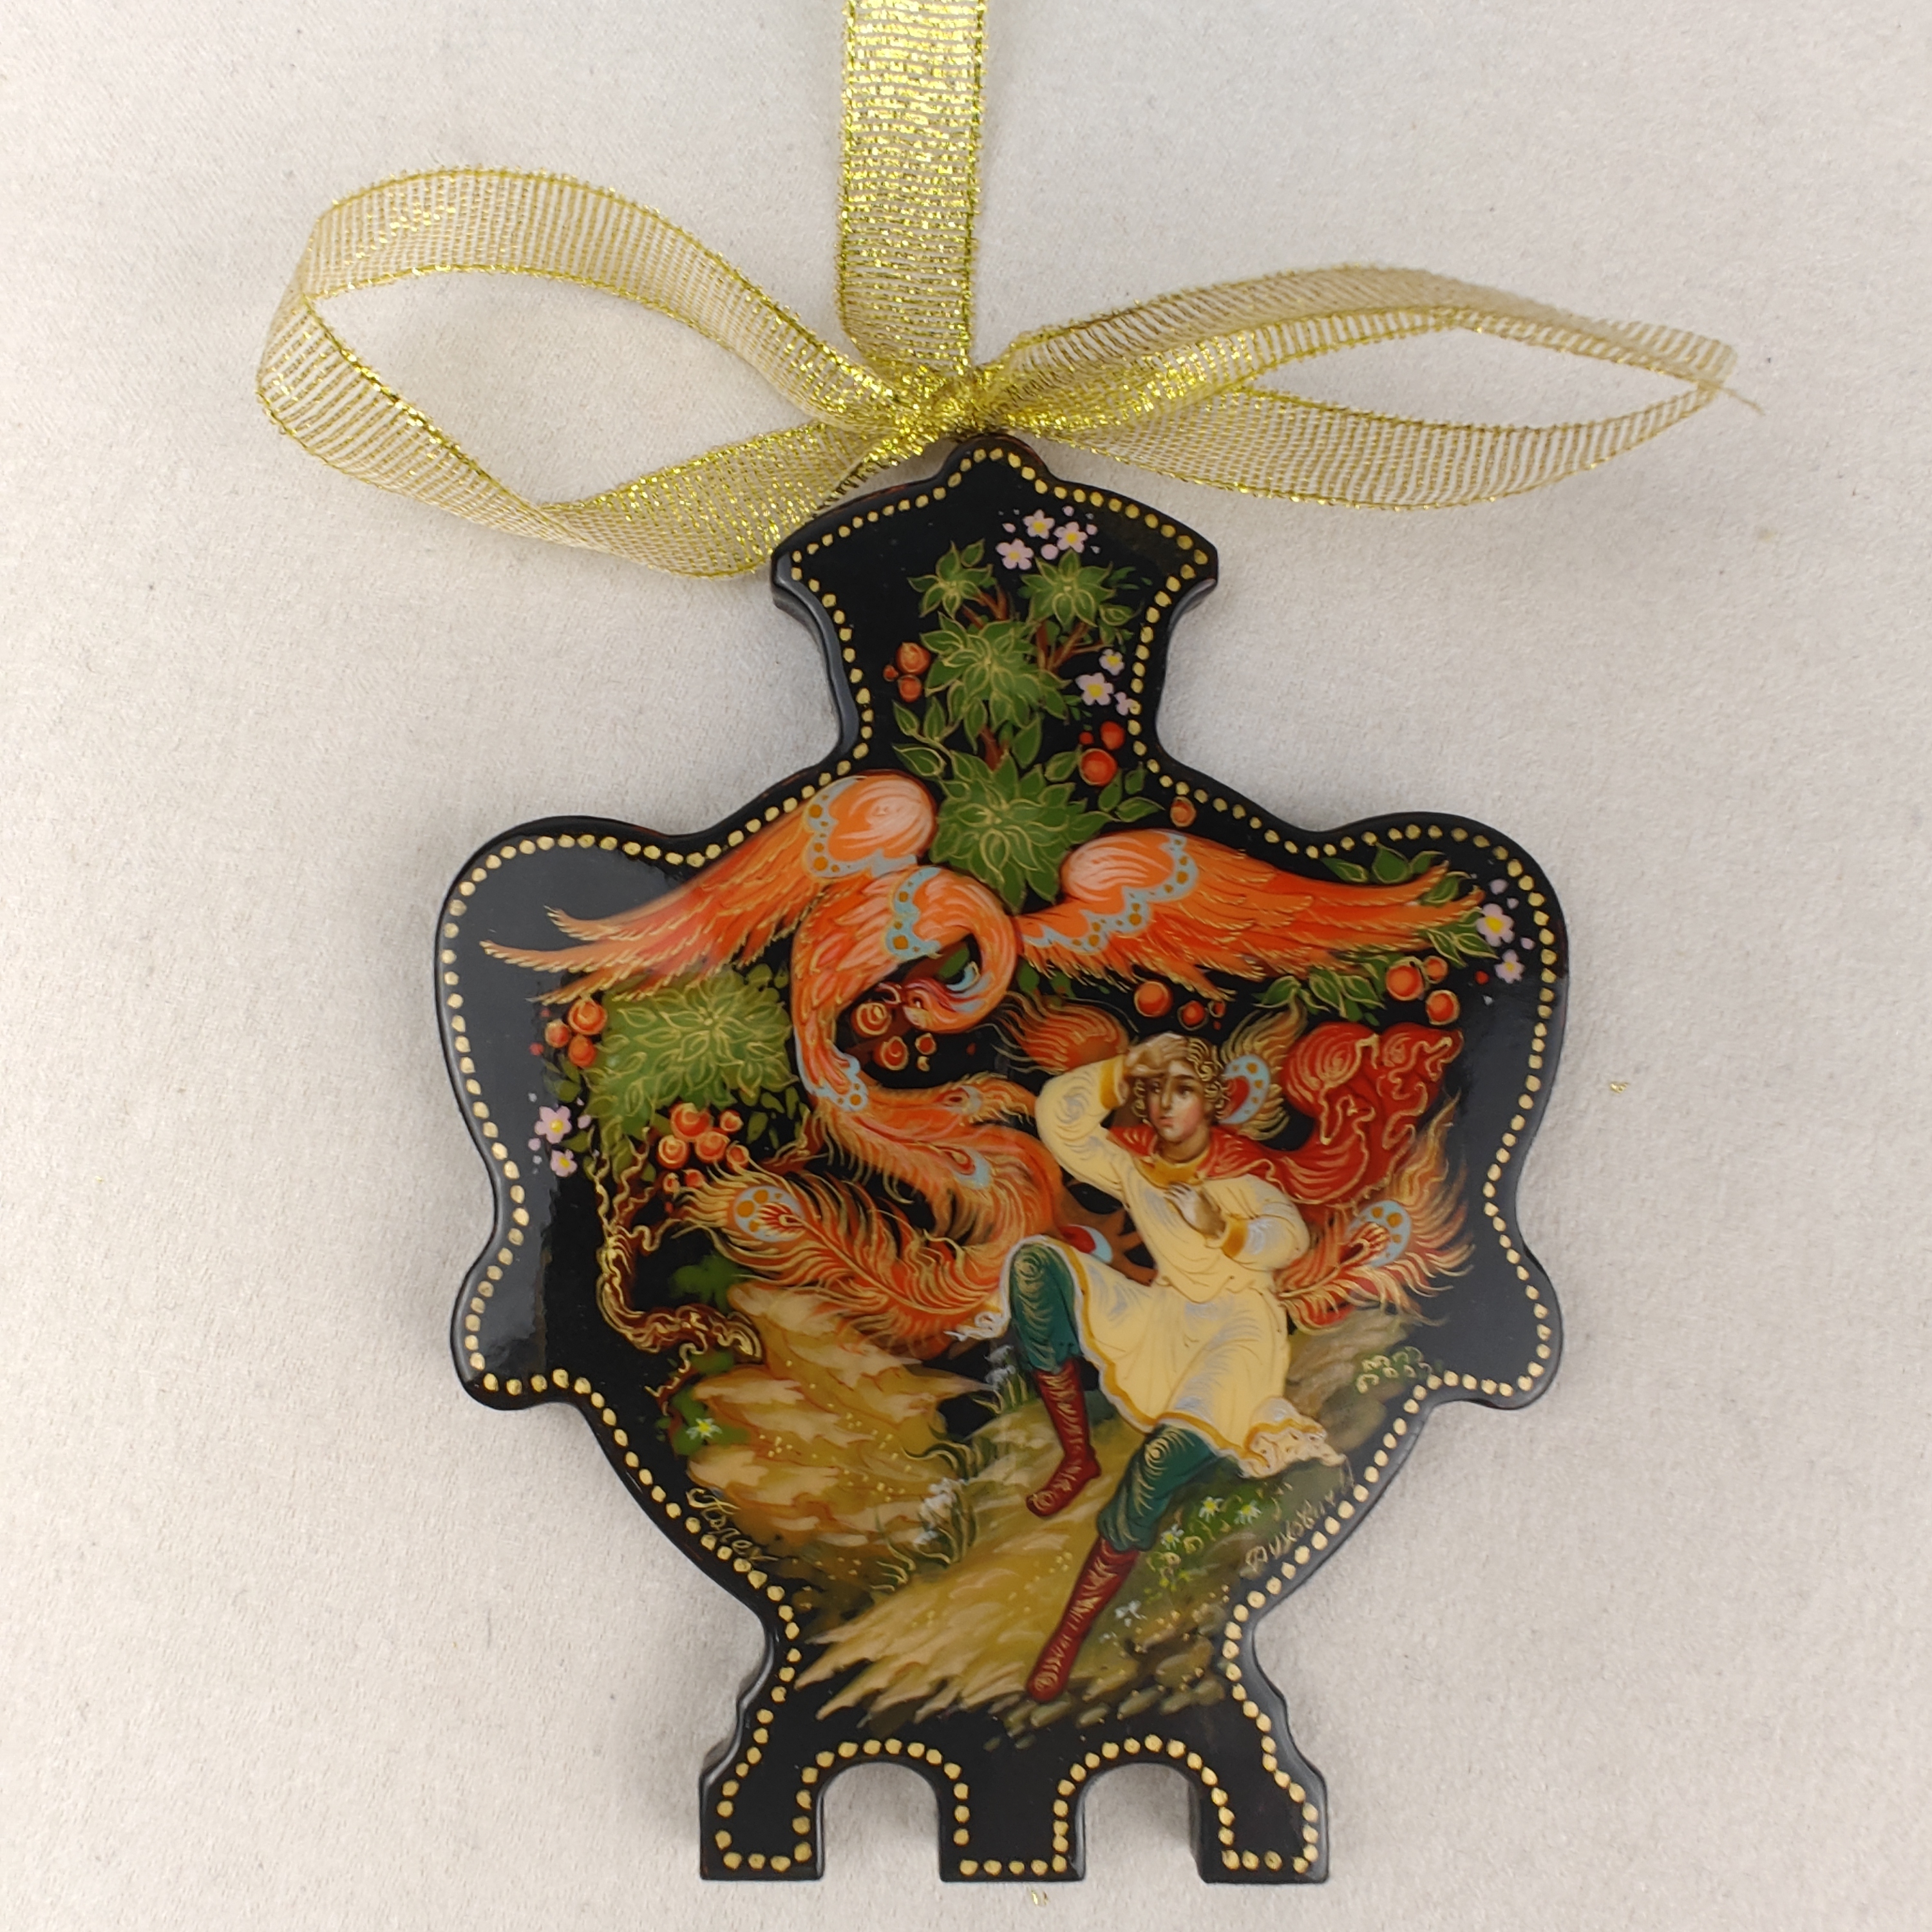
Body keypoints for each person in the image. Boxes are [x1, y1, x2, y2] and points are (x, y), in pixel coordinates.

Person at [1007, 1032, 1337, 1702]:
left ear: (1209, 1101)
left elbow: (1290, 1235)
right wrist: (1126, 1067)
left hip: (1238, 1336)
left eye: (1182, 1089)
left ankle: (1067, 1636)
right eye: (1154, 1090)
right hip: (1166, 1320)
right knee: (1034, 1266)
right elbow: (1059, 1120)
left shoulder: (1240, 1172)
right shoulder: (1139, 1167)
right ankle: (1077, 1457)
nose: (1164, 1104)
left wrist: (1225, 1228)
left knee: (1157, 1466)